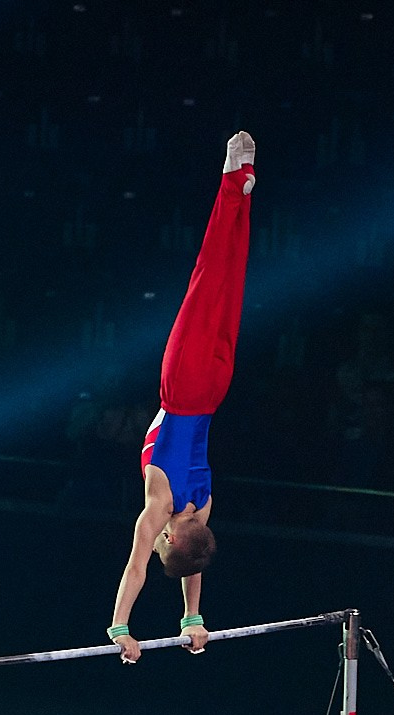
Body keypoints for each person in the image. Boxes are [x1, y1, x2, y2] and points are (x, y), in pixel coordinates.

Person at [110, 131, 255, 662]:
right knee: (207, 276)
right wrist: (119, 627)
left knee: (231, 282)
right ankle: (230, 179)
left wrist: (195, 619)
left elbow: (192, 562)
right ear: (168, 536)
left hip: (216, 389)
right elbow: (136, 567)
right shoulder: (161, 503)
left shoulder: (204, 508)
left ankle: (245, 191)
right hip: (187, 386)